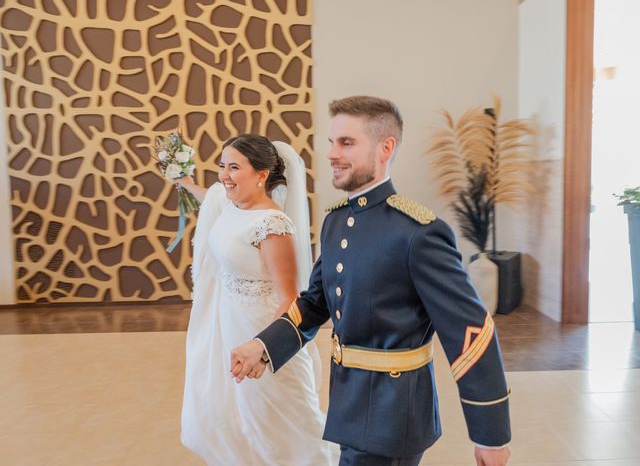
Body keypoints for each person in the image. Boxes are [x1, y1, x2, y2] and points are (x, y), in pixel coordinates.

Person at [230, 97, 512, 466]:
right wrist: (264, 346)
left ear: (385, 148)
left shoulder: (417, 234)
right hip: (350, 402)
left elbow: (470, 331)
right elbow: (315, 303)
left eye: (346, 143)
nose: (332, 153)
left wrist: (490, 434)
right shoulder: (335, 223)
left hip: (394, 414)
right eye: (331, 142)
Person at [177, 134, 338, 465]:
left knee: (285, 428)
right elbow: (212, 198)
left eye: (235, 167)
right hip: (231, 328)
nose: (224, 175)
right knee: (241, 423)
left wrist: (265, 350)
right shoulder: (232, 206)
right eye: (223, 166)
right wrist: (186, 183)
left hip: (262, 333)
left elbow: (291, 299)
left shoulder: (272, 224)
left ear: (261, 175)